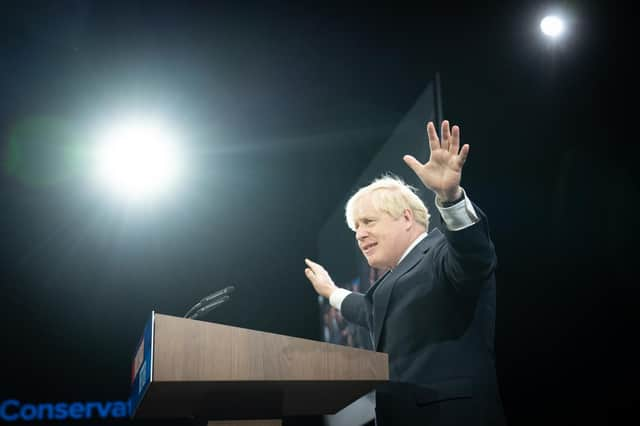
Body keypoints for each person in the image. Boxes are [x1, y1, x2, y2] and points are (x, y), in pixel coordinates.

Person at [304, 120, 505, 425]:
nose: (359, 234)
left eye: (368, 221)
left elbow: (474, 257)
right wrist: (331, 292)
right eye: (355, 227)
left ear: (407, 217)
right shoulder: (390, 283)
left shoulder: (441, 253)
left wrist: (451, 199)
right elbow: (367, 309)